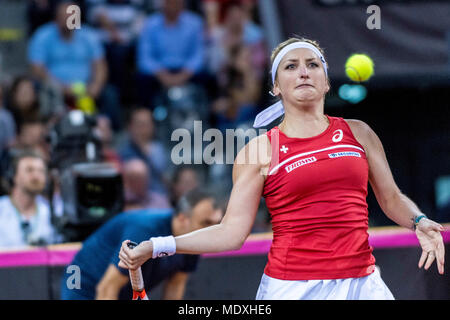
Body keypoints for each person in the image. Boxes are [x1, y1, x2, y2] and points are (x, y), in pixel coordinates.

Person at [118, 37, 446, 300]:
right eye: (291, 66)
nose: (303, 72)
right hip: (294, 288)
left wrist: (417, 220)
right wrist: (159, 245)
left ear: (326, 81)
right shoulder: (258, 151)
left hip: (364, 283)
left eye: (312, 65)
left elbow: (390, 198)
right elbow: (231, 233)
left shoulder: (358, 132)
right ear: (276, 87)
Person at [60, 188, 223, 300]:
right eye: (206, 223)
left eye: (217, 224)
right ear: (182, 219)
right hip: (82, 287)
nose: (211, 230)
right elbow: (107, 288)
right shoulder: (144, 230)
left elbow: (176, 285)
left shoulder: (196, 238)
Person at [28, 1, 123, 130]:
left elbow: (100, 65)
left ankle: (109, 133)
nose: (69, 19)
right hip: (55, 88)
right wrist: (61, 87)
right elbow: (37, 69)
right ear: (56, 18)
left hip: (87, 88)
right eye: (65, 16)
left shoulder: (89, 35)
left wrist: (96, 86)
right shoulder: (43, 35)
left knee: (110, 94)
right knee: (40, 91)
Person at [136, 0, 206, 107]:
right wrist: (161, 74)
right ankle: (149, 118)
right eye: (170, 2)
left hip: (187, 71)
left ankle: (199, 121)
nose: (173, 6)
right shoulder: (150, 24)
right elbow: (145, 57)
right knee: (142, 81)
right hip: (159, 72)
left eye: (177, 2)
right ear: (163, 4)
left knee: (207, 82)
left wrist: (184, 74)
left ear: (183, 4)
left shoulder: (195, 23)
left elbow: (198, 55)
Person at [0, 149, 60, 247]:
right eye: (29, 170)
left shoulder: (52, 212)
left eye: (41, 171)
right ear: (14, 176)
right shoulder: (2, 209)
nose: (36, 176)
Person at [118, 107, 170, 195]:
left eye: (147, 124)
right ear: (130, 127)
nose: (144, 129)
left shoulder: (160, 149)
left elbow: (167, 179)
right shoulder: (124, 153)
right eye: (140, 124)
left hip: (161, 197)